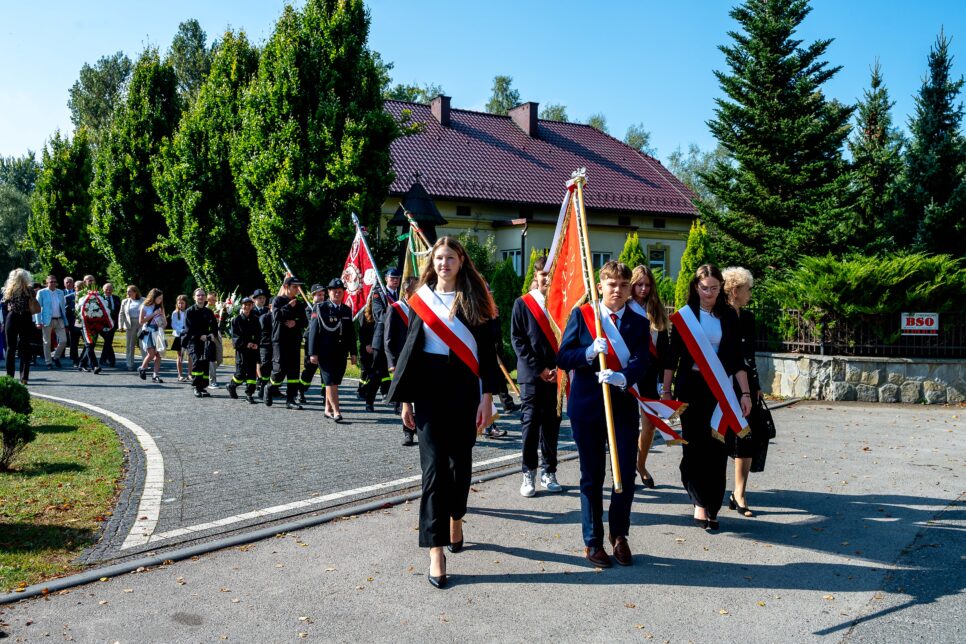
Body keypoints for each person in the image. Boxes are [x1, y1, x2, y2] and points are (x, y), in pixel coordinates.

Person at [388, 236, 499, 589]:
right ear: (431, 262)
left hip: (464, 388)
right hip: (429, 390)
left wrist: (488, 398)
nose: (444, 264)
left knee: (459, 464)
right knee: (434, 470)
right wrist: (406, 399)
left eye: (450, 257)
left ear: (461, 261)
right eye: (439, 258)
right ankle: (435, 550)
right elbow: (410, 352)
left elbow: (487, 353)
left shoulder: (476, 300)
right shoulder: (421, 300)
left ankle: (457, 516)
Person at [557, 260, 649, 568]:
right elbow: (562, 357)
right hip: (587, 407)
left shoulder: (638, 321)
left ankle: (619, 534)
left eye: (624, 286)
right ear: (600, 287)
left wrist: (623, 377)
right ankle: (593, 541)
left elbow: (642, 360)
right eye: (612, 285)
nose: (618, 291)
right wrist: (586, 353)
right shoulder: (584, 316)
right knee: (592, 475)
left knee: (624, 472)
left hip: (622, 406)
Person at [662, 264, 752, 531]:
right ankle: (699, 501)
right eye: (704, 288)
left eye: (714, 288)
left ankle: (711, 507)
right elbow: (672, 357)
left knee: (717, 448)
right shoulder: (684, 317)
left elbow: (737, 358)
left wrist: (745, 392)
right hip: (691, 388)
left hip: (720, 389)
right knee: (693, 448)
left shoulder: (728, 317)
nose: (709, 293)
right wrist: (666, 391)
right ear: (695, 287)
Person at [511, 255, 562, 497]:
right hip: (531, 376)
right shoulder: (522, 304)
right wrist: (539, 368)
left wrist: (558, 369)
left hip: (557, 375)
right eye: (544, 275)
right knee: (530, 425)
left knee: (552, 425)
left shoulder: (562, 304)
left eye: (552, 275)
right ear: (536, 276)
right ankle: (528, 472)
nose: (548, 279)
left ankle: (549, 471)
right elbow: (518, 341)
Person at [722, 266, 766, 518]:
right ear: (736, 290)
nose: (750, 293)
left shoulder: (748, 318)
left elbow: (750, 355)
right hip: (723, 382)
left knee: (747, 436)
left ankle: (739, 492)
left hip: (746, 384)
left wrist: (756, 386)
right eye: (748, 289)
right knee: (724, 438)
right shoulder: (719, 315)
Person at [627, 265, 670, 489]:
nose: (643, 288)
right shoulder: (624, 307)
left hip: (649, 373)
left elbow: (663, 348)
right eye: (639, 284)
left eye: (647, 284)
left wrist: (665, 382)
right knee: (625, 423)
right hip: (626, 371)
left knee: (650, 424)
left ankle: (640, 464)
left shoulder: (656, 309)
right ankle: (624, 467)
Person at [306, 278, 357, 420]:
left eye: (340, 292)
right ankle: (337, 411)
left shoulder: (346, 310)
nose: (337, 294)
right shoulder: (320, 308)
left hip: (340, 352)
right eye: (334, 291)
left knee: (336, 380)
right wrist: (313, 353)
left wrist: (353, 352)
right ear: (329, 292)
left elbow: (350, 333)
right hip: (324, 352)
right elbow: (313, 332)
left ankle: (327, 409)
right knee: (330, 381)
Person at [384, 276, 417, 445]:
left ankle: (419, 427)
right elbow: (388, 338)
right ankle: (408, 432)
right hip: (401, 360)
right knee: (406, 398)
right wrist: (392, 363)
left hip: (418, 359)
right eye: (416, 289)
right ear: (407, 291)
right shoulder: (395, 309)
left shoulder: (421, 308)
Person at [267, 276, 308, 409]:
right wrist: (287, 307)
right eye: (294, 287)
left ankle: (291, 399)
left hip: (294, 340)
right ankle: (269, 387)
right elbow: (276, 316)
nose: (297, 289)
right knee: (279, 370)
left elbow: (305, 322)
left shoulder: (299, 304)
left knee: (294, 371)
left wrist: (295, 322)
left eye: (298, 287)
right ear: (286, 287)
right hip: (280, 340)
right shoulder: (278, 300)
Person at [367, 267, 401, 404]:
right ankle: (369, 399)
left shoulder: (402, 293)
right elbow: (378, 315)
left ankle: (397, 402)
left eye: (397, 278)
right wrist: (393, 312)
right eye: (392, 278)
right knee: (377, 371)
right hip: (381, 337)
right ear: (386, 279)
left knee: (399, 370)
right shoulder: (379, 293)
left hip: (397, 337)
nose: (395, 281)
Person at [3, 269, 41, 383]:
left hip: (12, 317)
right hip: (25, 318)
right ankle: (24, 377)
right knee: (25, 348)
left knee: (11, 348)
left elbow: (5, 303)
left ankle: (10, 377)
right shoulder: (30, 290)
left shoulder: (8, 290)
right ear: (25, 278)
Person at [184, 288, 219, 397]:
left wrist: (213, 334)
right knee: (197, 363)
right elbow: (189, 329)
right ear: (194, 297)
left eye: (203, 295)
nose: (201, 297)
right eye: (198, 295)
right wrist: (200, 336)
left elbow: (214, 325)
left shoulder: (208, 312)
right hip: (193, 342)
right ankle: (196, 387)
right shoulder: (189, 311)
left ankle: (203, 387)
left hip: (207, 342)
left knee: (204, 364)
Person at [297, 285, 328, 405]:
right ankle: (301, 390)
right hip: (312, 342)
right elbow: (312, 326)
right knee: (310, 369)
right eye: (318, 295)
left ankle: (326, 394)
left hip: (325, 342)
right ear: (312, 296)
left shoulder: (327, 307)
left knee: (325, 370)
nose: (321, 297)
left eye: (322, 294)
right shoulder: (309, 309)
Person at [228, 297, 261, 404]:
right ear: (242, 306)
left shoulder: (255, 319)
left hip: (253, 351)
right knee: (240, 374)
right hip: (242, 351)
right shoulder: (236, 320)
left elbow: (259, 334)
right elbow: (235, 337)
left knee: (252, 374)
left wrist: (256, 343)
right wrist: (246, 344)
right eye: (245, 304)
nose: (247, 306)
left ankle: (249, 394)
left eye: (249, 304)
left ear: (252, 306)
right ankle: (232, 385)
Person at [76, 279, 112, 374]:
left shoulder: (98, 294)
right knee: (89, 344)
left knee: (92, 344)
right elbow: (77, 309)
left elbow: (103, 306)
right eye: (89, 280)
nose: (91, 282)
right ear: (84, 282)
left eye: (92, 280)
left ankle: (82, 364)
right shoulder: (80, 294)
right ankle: (94, 366)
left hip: (96, 322)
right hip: (85, 323)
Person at [35, 274, 68, 369]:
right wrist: (38, 321)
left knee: (63, 341)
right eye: (51, 282)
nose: (53, 283)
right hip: (47, 320)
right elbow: (38, 307)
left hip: (59, 319)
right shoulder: (42, 292)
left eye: (54, 281)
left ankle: (56, 357)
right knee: (47, 342)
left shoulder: (60, 292)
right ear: (47, 283)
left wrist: (65, 322)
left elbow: (63, 308)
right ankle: (48, 362)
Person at [137, 288, 166, 383]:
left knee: (158, 354)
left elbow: (165, 322)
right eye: (159, 298)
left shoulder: (160, 307)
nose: (160, 300)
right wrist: (153, 314)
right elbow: (141, 321)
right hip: (148, 331)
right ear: (154, 297)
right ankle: (142, 368)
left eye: (161, 298)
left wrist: (162, 323)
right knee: (151, 353)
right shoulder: (145, 306)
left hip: (158, 331)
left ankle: (155, 375)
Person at [118, 285, 144, 371]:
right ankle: (129, 364)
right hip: (130, 324)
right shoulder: (125, 301)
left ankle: (145, 364)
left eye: (130, 291)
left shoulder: (143, 300)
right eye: (127, 291)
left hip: (142, 323)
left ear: (135, 292)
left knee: (143, 344)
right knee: (130, 345)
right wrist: (120, 326)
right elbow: (121, 314)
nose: (128, 293)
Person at [206, 292, 226, 388]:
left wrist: (223, 313)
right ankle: (212, 380)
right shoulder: (205, 309)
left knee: (220, 359)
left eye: (214, 300)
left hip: (217, 335)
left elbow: (220, 323)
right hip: (209, 336)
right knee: (212, 359)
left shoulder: (218, 308)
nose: (212, 302)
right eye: (210, 300)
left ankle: (207, 372)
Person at [99, 282, 122, 368]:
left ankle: (104, 359)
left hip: (113, 324)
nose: (108, 291)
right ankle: (110, 360)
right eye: (106, 289)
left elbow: (119, 311)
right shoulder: (99, 298)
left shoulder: (116, 298)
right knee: (108, 341)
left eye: (110, 289)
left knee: (108, 342)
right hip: (101, 324)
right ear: (103, 290)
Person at [170, 294, 191, 382]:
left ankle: (190, 374)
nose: (180, 305)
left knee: (190, 356)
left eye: (182, 303)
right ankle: (180, 375)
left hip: (188, 336)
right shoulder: (175, 313)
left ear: (186, 303)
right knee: (180, 356)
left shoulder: (189, 312)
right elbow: (173, 325)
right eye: (179, 303)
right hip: (179, 336)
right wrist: (181, 330)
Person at [257, 300, 274, 400]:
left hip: (276, 346)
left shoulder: (279, 316)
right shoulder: (264, 317)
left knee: (274, 368)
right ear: (270, 306)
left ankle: (272, 390)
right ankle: (262, 390)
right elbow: (262, 333)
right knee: (266, 367)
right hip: (265, 346)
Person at [63, 276, 80, 366]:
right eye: (78, 287)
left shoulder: (89, 297)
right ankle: (75, 359)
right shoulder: (68, 297)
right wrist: (66, 325)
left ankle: (83, 359)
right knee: (74, 342)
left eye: (82, 287)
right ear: (75, 288)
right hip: (73, 323)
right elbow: (65, 312)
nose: (80, 289)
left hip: (85, 324)